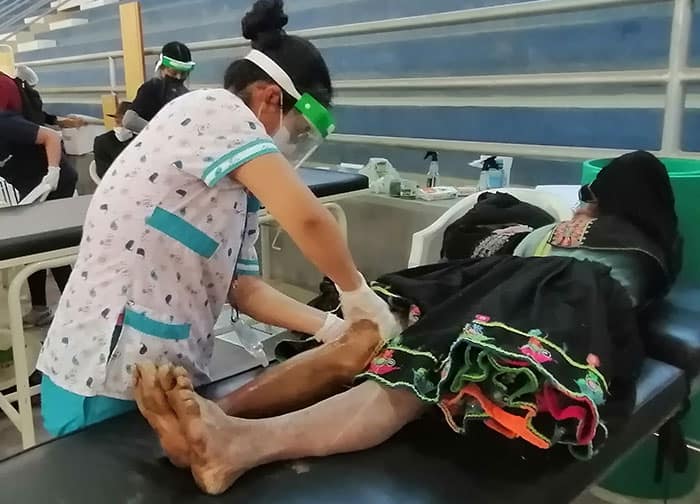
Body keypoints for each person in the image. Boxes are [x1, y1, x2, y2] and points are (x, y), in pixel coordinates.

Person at [134, 150, 680, 495]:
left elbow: (544, 262)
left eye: (593, 199)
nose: (582, 208)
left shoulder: (610, 257)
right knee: (370, 340)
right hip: (507, 286)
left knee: (417, 369)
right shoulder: (639, 256)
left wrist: (556, 232)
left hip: (531, 302)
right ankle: (216, 414)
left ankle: (241, 440)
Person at [37, 0, 397, 439]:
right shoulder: (215, 112)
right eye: (297, 131)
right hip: (103, 370)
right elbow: (310, 221)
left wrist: (329, 326)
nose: (290, 146)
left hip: (159, 371)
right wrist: (356, 292)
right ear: (269, 97)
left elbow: (243, 289)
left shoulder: (231, 183)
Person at [1, 67, 79, 326]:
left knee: (51, 247)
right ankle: (40, 308)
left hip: (54, 180)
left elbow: (51, 137)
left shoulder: (5, 123)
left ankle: (76, 309)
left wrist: (53, 173)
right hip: (29, 184)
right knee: (34, 246)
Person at [122, 41, 193, 133]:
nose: (178, 77)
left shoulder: (186, 94)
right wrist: (161, 132)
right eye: (173, 73)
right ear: (162, 68)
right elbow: (129, 120)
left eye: (183, 74)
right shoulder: (151, 88)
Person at [93, 100, 134, 178]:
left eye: (124, 121)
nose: (121, 125)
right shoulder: (102, 141)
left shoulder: (139, 140)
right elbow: (103, 172)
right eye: (118, 121)